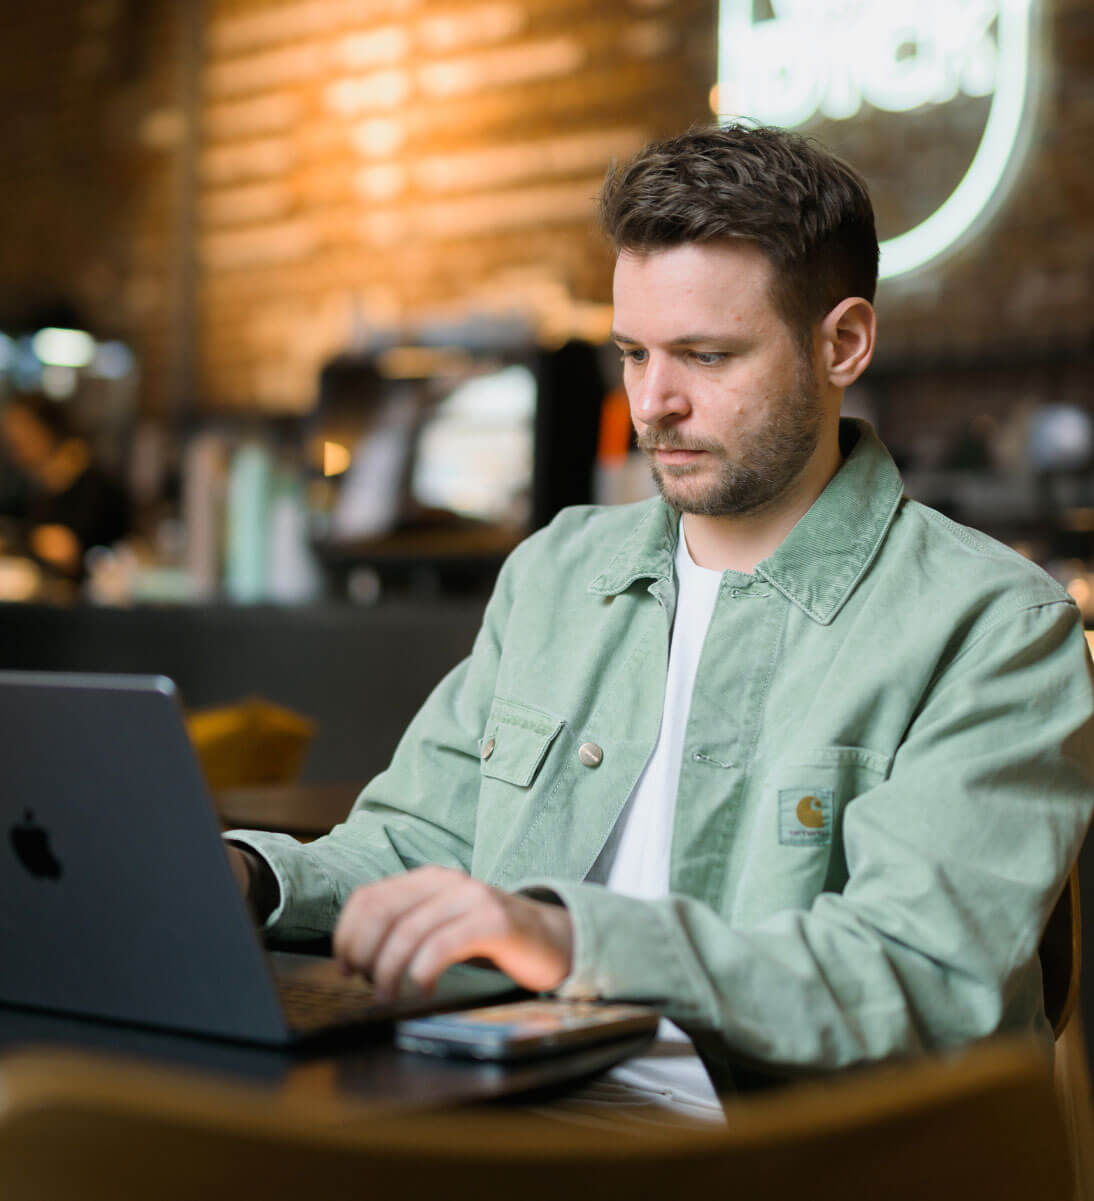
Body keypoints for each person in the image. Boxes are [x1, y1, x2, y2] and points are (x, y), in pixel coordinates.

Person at [224, 125, 1094, 1114]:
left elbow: (920, 976)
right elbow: (418, 841)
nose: (652, 403)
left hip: (793, 1153)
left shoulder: (991, 624)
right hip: (515, 1106)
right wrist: (251, 876)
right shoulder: (557, 571)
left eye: (705, 355)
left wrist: (570, 940)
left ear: (842, 344)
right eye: (633, 353)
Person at [0, 392, 130, 580]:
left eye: (21, 437)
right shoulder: (34, 482)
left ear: (47, 429)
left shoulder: (92, 483)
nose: (14, 448)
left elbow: (68, 552)